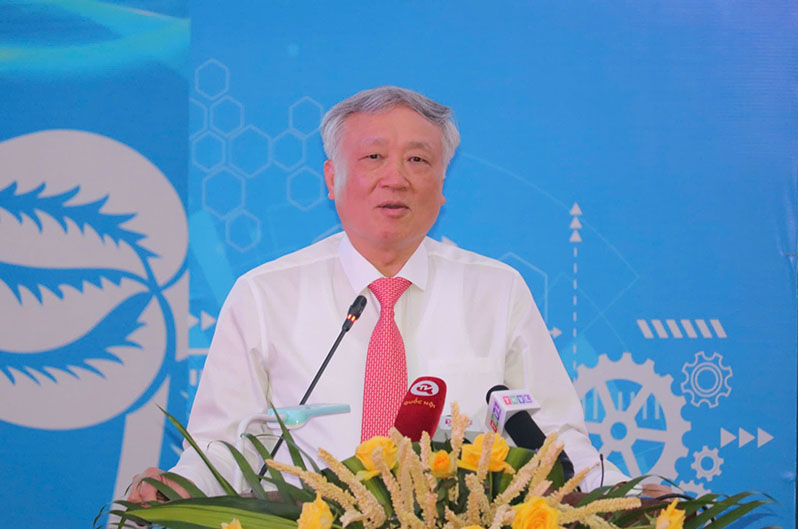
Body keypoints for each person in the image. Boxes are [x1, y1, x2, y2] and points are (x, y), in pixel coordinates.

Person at [129, 86, 665, 503]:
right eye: (373, 158)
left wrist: (626, 496)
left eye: (418, 160)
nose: (396, 179)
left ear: (442, 182)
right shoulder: (264, 295)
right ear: (331, 178)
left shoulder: (497, 291)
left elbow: (553, 435)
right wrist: (182, 487)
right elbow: (224, 446)